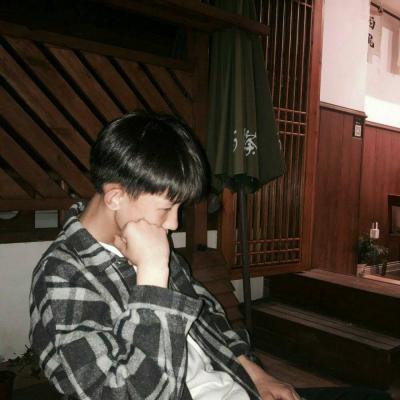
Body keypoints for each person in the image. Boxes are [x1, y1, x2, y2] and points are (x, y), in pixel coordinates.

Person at [29, 112, 392, 400]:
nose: (174, 224)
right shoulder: (63, 277)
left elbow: (209, 318)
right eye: (166, 208)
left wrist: (258, 375)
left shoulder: (148, 237)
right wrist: (152, 276)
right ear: (115, 197)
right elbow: (133, 393)